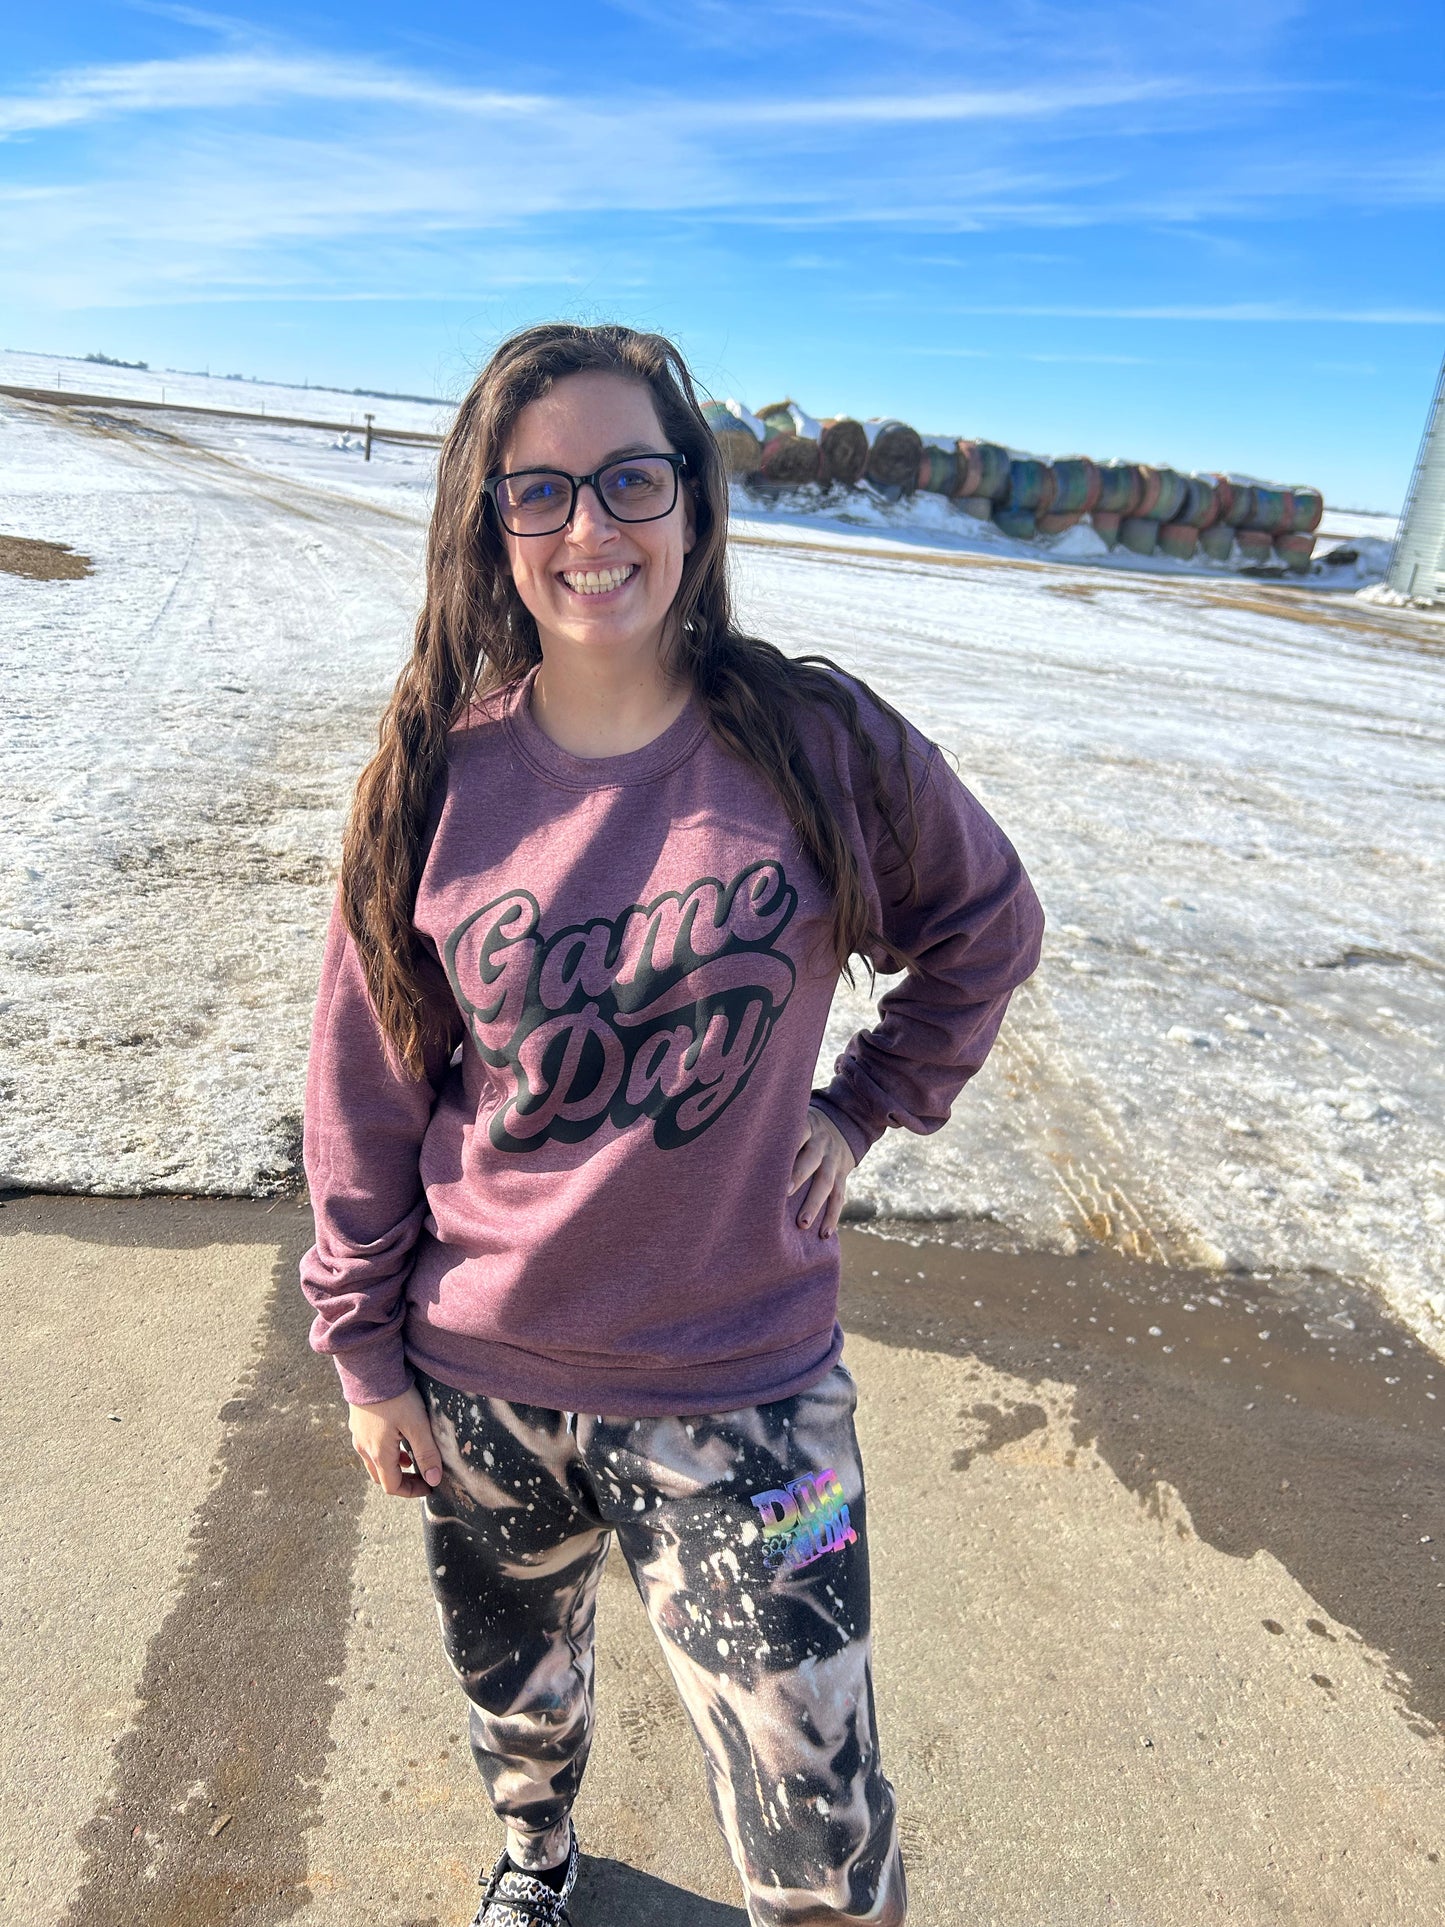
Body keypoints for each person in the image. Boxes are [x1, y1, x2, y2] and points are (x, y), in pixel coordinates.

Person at [300, 322, 1044, 1927]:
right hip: (484, 1382)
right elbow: (365, 1091)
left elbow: (985, 925)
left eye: (630, 477)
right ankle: (537, 1859)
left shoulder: (819, 744)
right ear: (489, 528)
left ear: (695, 505)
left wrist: (868, 1107)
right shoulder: (440, 780)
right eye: (539, 491)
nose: (589, 529)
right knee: (520, 1701)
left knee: (818, 1834)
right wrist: (365, 1356)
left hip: (749, 1395)